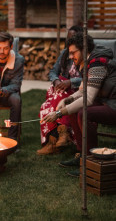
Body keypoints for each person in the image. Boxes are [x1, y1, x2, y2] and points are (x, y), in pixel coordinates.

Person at [43, 32, 116, 177]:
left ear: (84, 48)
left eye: (73, 53)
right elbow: (82, 91)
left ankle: (90, 162)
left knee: (84, 113)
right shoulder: (87, 63)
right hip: (105, 101)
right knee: (74, 109)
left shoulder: (97, 63)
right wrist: (66, 101)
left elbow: (88, 99)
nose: (70, 57)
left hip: (113, 104)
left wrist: (58, 113)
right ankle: (82, 156)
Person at [37, 26, 83, 155]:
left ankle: (56, 139)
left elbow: (87, 80)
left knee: (48, 105)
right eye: (68, 38)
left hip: (76, 91)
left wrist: (70, 82)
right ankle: (58, 137)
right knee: (46, 106)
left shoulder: (86, 55)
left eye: (72, 38)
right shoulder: (64, 53)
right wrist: (56, 81)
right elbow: (53, 72)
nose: (69, 41)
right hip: (62, 88)